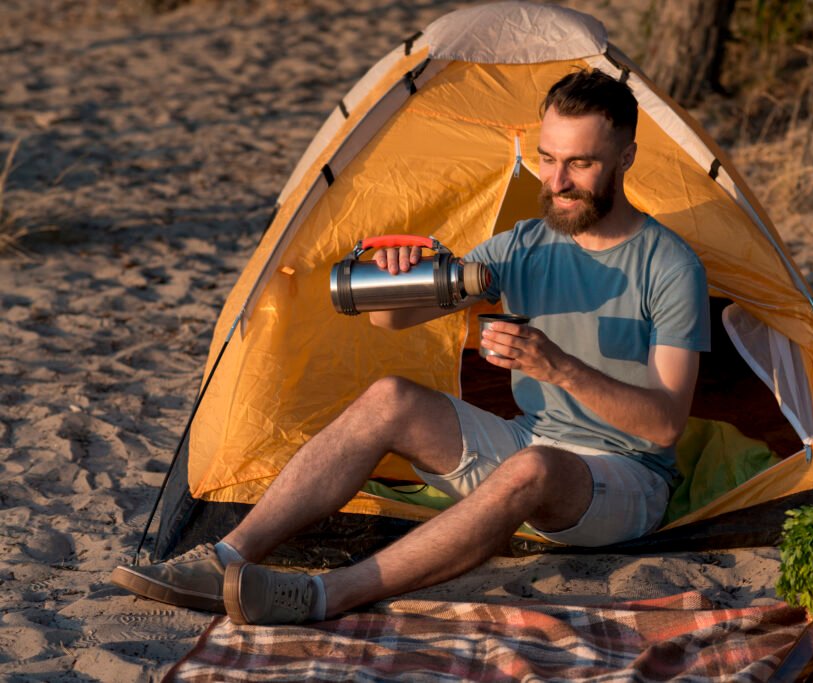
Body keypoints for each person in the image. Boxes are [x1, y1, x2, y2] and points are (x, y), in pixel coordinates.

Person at [110, 68, 711, 626]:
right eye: (547, 158)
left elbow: (663, 425)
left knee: (534, 467)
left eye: (579, 164)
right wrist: (399, 275)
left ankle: (324, 595)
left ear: (626, 157)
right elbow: (392, 321)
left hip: (626, 477)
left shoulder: (669, 265)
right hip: (532, 442)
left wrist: (561, 368)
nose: (555, 183)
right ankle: (225, 557)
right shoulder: (525, 244)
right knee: (389, 399)